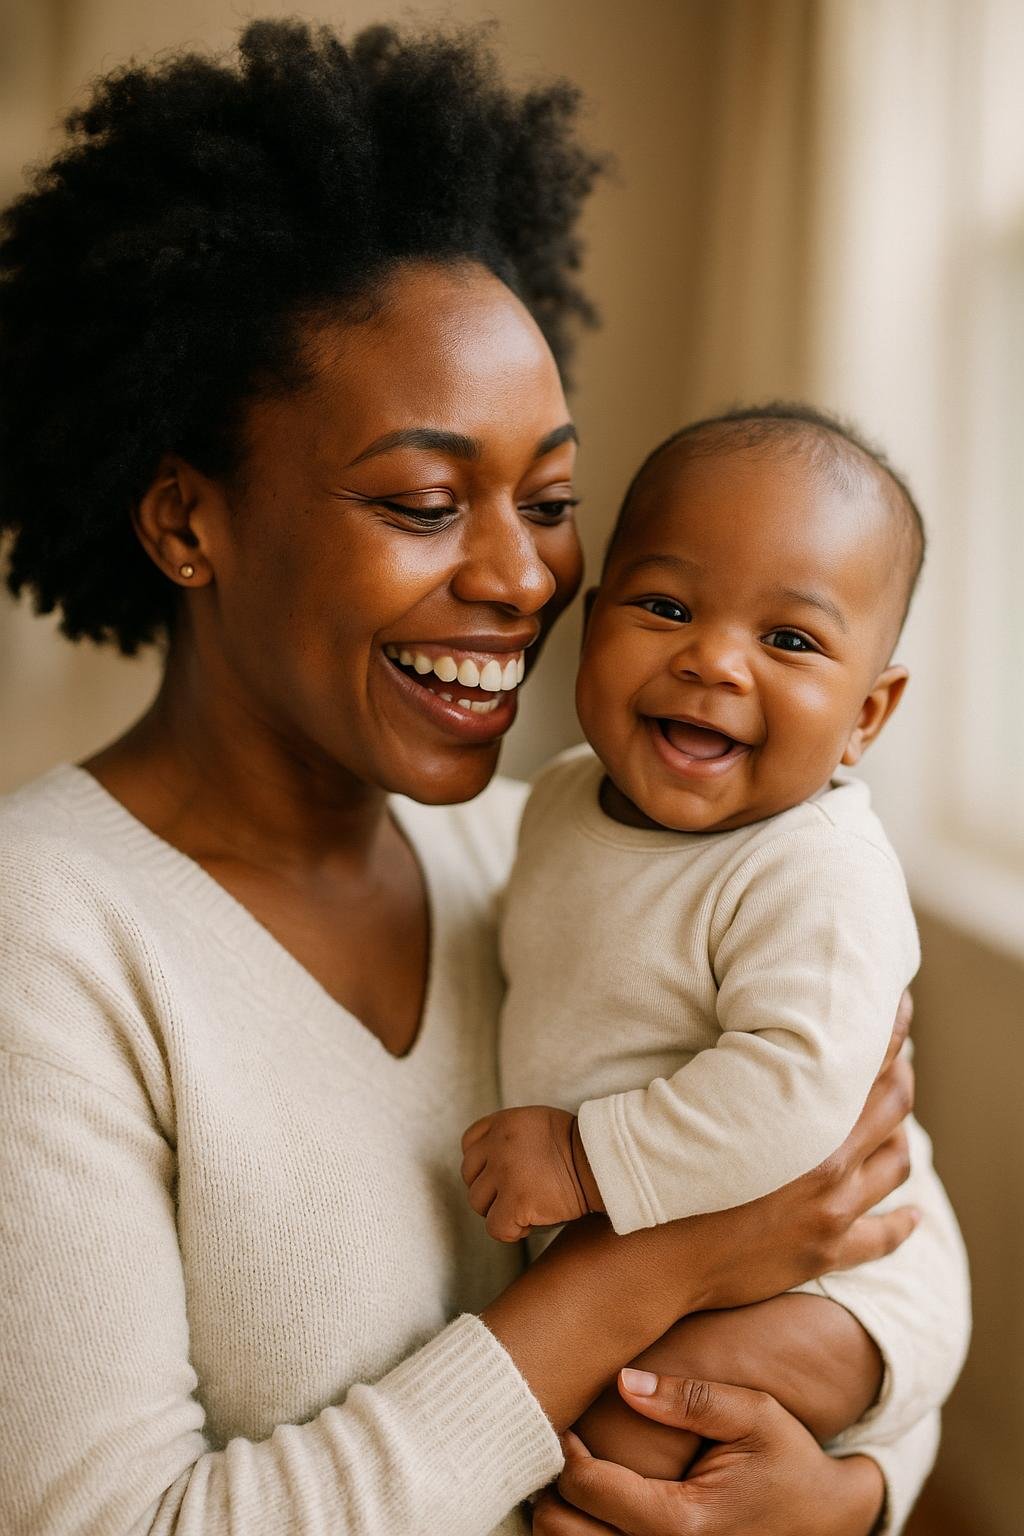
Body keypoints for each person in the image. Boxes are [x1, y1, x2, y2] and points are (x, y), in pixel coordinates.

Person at [0, 21, 920, 1536]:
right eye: (427, 501)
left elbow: (886, 1238)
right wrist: (654, 1273)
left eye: (553, 501)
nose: (523, 574)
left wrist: (852, 1498)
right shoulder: (52, 936)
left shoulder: (566, 853)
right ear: (186, 522)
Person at [463, 405, 971, 1530]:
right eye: (666, 606)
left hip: (843, 1284)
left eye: (789, 640)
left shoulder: (816, 872)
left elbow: (794, 1095)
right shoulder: (550, 804)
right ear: (594, 628)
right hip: (688, 1266)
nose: (712, 658)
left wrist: (582, 1155)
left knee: (619, 1443)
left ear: (865, 716)